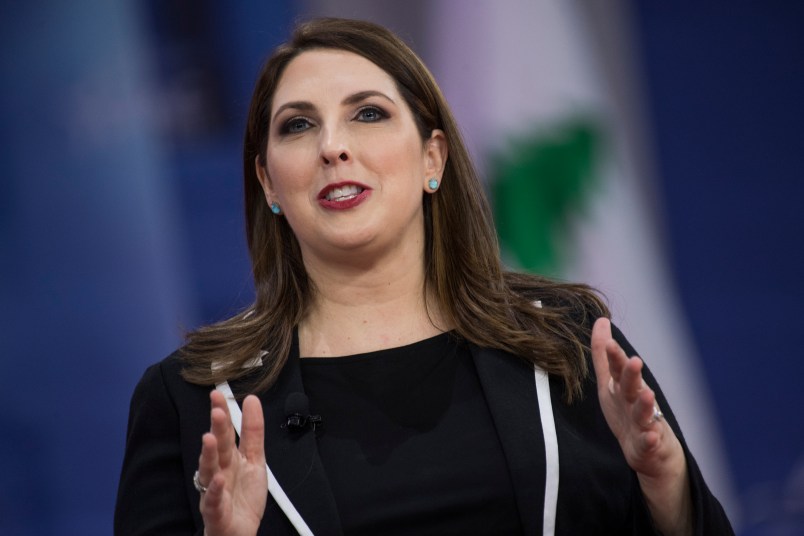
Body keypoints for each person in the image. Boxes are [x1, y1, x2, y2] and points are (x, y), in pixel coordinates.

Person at [114, 17, 733, 536]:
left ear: (432, 157)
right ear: (269, 183)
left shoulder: (567, 345)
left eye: (368, 115)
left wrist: (667, 485)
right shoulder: (191, 398)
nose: (333, 146)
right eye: (298, 125)